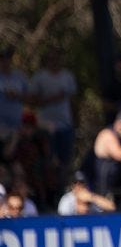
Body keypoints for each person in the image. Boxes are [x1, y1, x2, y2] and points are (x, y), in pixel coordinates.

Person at [27, 49, 78, 188]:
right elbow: (31, 101)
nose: (54, 61)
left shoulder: (67, 77)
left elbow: (73, 102)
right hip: (46, 125)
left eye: (57, 58)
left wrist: (74, 122)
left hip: (65, 125)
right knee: (48, 161)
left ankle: (63, 189)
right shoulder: (39, 77)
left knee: (65, 161)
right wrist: (52, 99)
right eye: (51, 58)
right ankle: (49, 191)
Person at [0, 46, 28, 152]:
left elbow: (30, 97)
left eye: (6, 58)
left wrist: (17, 95)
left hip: (17, 124)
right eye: (2, 59)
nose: (4, 61)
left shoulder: (19, 77)